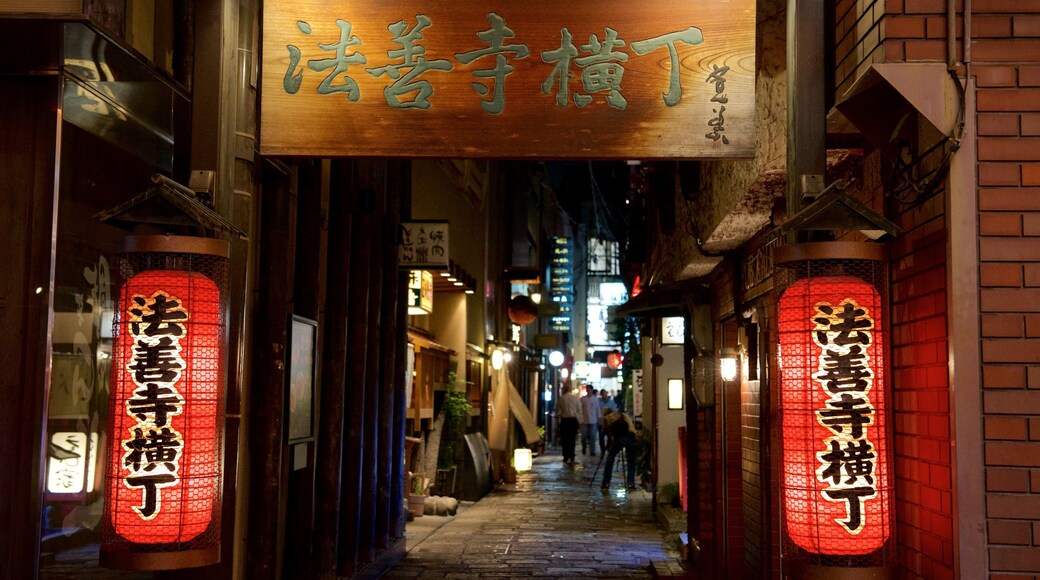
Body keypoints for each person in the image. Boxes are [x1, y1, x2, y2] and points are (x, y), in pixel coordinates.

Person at [600, 408, 638, 491]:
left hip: (619, 440)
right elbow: (632, 429)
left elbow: (604, 434)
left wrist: (605, 449)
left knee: (610, 458)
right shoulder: (623, 415)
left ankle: (606, 482)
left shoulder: (608, 418)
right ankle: (631, 483)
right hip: (631, 437)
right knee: (631, 461)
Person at [556, 385, 582, 463]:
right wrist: (580, 422)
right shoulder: (575, 398)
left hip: (564, 420)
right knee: (572, 439)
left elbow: (557, 409)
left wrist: (560, 416)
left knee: (565, 439)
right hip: (573, 420)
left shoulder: (562, 398)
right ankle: (571, 455)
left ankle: (565, 456)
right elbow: (579, 410)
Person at [580, 387, 601, 456]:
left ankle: (592, 450)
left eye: (589, 389)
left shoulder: (595, 399)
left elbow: (598, 409)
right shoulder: (583, 399)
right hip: (584, 420)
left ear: (591, 390)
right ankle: (584, 447)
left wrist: (599, 419)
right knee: (584, 436)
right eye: (587, 389)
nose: (588, 391)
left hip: (593, 420)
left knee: (593, 436)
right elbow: (580, 409)